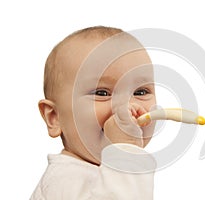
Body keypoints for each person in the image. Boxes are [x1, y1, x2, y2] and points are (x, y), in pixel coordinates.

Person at [30, 26, 157, 200]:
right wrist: (125, 149)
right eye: (102, 93)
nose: (126, 106)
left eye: (141, 92)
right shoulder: (63, 181)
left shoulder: (99, 173)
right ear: (54, 117)